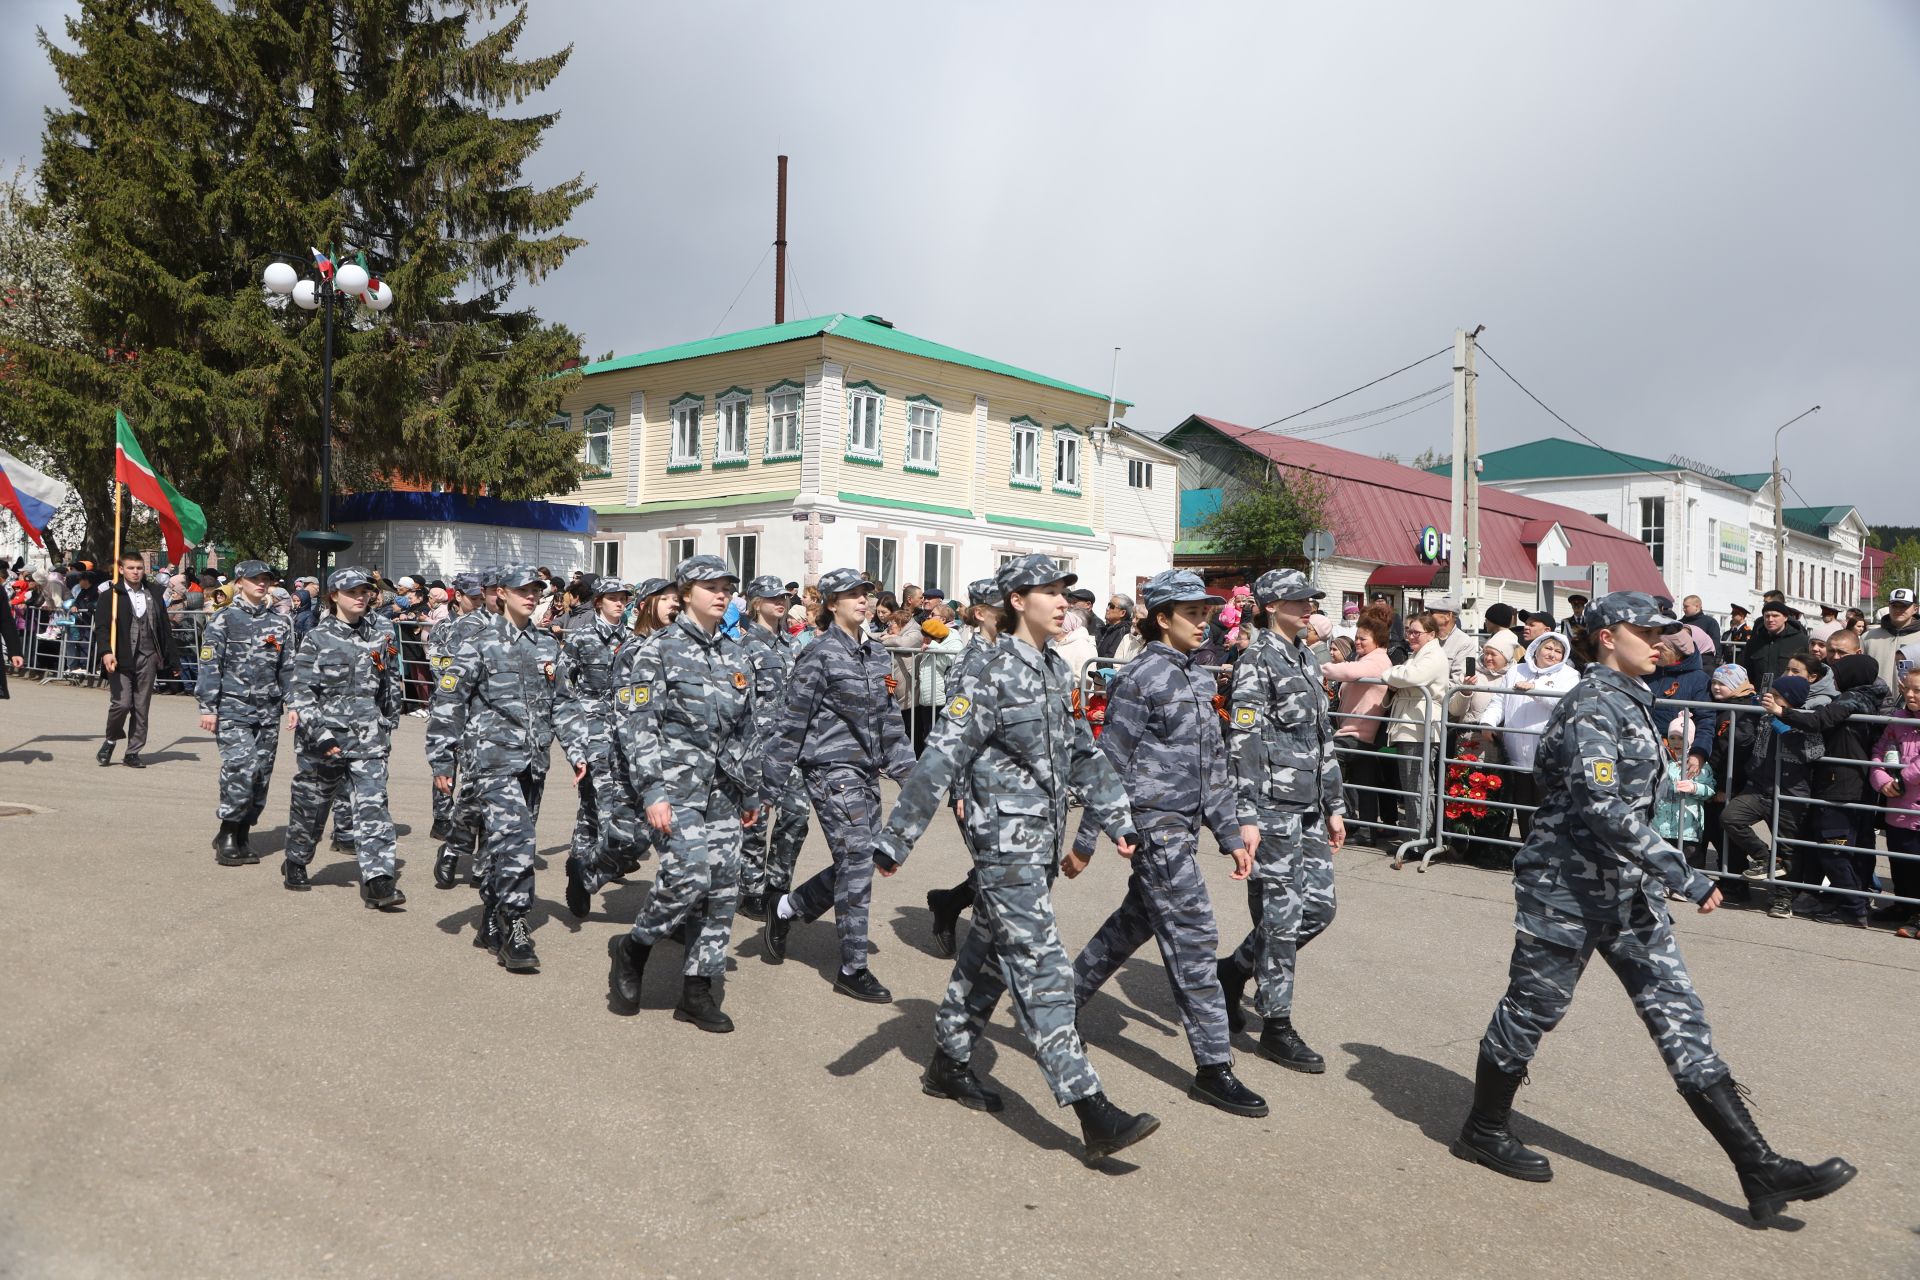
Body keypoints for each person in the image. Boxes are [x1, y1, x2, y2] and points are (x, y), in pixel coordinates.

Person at [1453, 592, 1856, 1220]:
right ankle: (1483, 1127)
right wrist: (1684, 875)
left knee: (1678, 1015)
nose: (1661, 641)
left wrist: (1658, 875)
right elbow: (1601, 806)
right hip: (1566, 889)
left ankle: (1759, 1167)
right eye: (1648, 631)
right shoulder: (1593, 703)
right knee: (1535, 1008)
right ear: (1610, 636)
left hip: (1628, 892)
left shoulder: (1634, 699)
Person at [870, 554, 1161, 1166]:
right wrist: (896, 839)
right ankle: (1091, 1108)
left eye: (1065, 592)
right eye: (1049, 592)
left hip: (1038, 847)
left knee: (990, 955)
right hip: (1002, 845)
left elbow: (1084, 755)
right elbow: (940, 759)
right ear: (1015, 600)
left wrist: (1119, 819)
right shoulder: (990, 673)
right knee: (1041, 962)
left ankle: (948, 1061)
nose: (1063, 602)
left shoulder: (1055, 670)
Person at [1069, 569, 1267, 1119]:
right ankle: (1213, 1067)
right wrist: (1090, 838)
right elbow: (1110, 759)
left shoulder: (1198, 678)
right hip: (1154, 827)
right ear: (1162, 618)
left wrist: (1230, 835)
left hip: (1183, 825)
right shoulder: (1141, 678)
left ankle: (1060, 1002)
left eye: (1207, 614)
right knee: (1195, 936)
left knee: (1135, 921)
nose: (1204, 624)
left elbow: (1212, 768)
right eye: (1193, 614)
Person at [606, 556, 762, 1031]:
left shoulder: (736, 653)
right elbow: (637, 728)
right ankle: (634, 947)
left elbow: (747, 728)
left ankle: (697, 989)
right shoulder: (656, 651)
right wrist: (652, 792)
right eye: (711, 586)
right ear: (686, 591)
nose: (722, 594)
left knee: (722, 891)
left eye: (728, 587)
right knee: (689, 875)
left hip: (725, 790)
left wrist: (751, 791)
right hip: (676, 788)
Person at [760, 567, 917, 1001]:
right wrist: (769, 789)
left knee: (860, 860)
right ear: (832, 604)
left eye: (866, 594)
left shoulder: (877, 653)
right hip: (830, 770)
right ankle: (852, 967)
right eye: (852, 595)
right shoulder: (820, 653)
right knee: (858, 857)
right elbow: (791, 723)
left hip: (866, 772)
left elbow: (889, 722)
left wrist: (912, 777)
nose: (863, 601)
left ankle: (785, 907)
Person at [1216, 568, 1347, 1074]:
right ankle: (1276, 1025)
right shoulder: (1256, 660)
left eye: (1310, 600)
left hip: (1309, 807)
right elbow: (1243, 741)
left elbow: (1322, 739)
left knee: (1319, 909)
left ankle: (1234, 971)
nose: (1308, 607)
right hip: (1271, 809)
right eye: (1298, 601)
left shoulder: (1305, 658)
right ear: (1271, 605)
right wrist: (1244, 814)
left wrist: (1335, 806)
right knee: (1281, 916)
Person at [427, 565, 565, 969]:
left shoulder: (548, 646)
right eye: (523, 589)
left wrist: (582, 753)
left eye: (536, 589)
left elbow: (566, 704)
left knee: (501, 846)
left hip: (534, 761)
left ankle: (490, 914)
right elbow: (448, 702)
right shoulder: (478, 643)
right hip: (492, 761)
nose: (532, 595)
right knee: (519, 841)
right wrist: (441, 758)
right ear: (501, 593)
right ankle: (515, 926)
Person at [282, 567, 405, 907]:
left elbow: (389, 683)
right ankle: (296, 858)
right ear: (334, 595)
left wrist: (387, 721)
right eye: (352, 591)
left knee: (373, 807)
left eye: (365, 591)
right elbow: (301, 692)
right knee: (312, 805)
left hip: (368, 740)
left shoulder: (380, 635)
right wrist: (320, 735)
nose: (361, 597)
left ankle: (379, 879)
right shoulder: (316, 638)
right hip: (323, 740)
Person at [1766, 651, 1888, 926]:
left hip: (1840, 782)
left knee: (1833, 847)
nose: (1835, 677)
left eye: (1839, 672)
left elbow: (1819, 720)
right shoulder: (1870, 697)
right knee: (1854, 848)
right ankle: (1852, 902)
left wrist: (1781, 712)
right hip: (1853, 780)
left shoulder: (1850, 700)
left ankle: (1853, 908)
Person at [922, 578, 1007, 957]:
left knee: (1006, 867)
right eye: (1001, 606)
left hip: (1012, 782)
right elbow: (955, 731)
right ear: (980, 613)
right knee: (999, 870)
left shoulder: (1017, 654)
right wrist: (959, 789)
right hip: (977, 785)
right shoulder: (971, 662)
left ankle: (951, 902)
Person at [196, 561, 293, 866]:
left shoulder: (280, 623)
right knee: (242, 768)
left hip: (268, 710)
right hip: (232, 709)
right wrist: (208, 707)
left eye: (266, 579)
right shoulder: (224, 619)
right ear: (239, 582)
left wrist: (295, 704)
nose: (261, 584)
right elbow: (210, 665)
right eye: (255, 579)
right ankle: (227, 830)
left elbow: (287, 668)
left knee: (261, 775)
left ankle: (242, 831)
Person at [556, 576, 640, 919]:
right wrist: (575, 726)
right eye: (614, 598)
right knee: (603, 796)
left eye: (624, 598)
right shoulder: (581, 638)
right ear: (599, 602)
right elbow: (564, 683)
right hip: (592, 725)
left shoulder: (632, 639)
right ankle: (599, 863)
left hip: (623, 728)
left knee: (592, 801)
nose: (620, 603)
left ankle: (580, 861)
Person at [736, 575, 811, 923]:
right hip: (756, 748)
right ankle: (750, 887)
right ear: (755, 602)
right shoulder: (742, 647)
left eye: (782, 597)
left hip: (789, 749)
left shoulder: (793, 646)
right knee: (755, 822)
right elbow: (741, 705)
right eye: (771, 598)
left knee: (797, 816)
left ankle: (777, 885)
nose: (779, 603)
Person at [92, 550, 176, 768]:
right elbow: (101, 628)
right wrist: (106, 651)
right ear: (121, 569)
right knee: (121, 703)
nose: (136, 572)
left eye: (139, 568)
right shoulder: (110, 596)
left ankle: (133, 751)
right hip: (120, 657)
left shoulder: (155, 593)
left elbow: (164, 628)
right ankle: (111, 740)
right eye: (130, 568)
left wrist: (173, 659)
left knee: (141, 706)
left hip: (148, 656)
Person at [1320, 609, 1393, 835]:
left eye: (1363, 639)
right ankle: (1367, 830)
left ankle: (1343, 820)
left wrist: (1314, 667)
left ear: (1377, 640)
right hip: (1355, 730)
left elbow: (1347, 671)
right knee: (1365, 781)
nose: (1358, 642)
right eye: (1357, 637)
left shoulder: (1378, 660)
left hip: (1359, 733)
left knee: (1328, 763)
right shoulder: (1367, 658)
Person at [1382, 611, 1449, 849]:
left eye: (1416, 632)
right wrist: (1397, 677)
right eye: (1409, 631)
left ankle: (1422, 840)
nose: (1411, 635)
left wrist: (1389, 674)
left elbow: (1412, 676)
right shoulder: (1420, 653)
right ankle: (1416, 837)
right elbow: (1406, 677)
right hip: (1411, 722)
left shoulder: (1433, 655)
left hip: (1420, 724)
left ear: (1431, 634)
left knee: (1418, 783)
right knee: (1412, 785)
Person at [1869, 670, 1920, 936]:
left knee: (1917, 863)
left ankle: (1918, 913)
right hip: (1896, 805)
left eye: (1917, 691)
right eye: (1907, 689)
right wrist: (1881, 779)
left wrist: (1902, 780)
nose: (1910, 695)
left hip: (1914, 803)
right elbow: (1879, 750)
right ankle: (1902, 905)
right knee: (1899, 860)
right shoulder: (1898, 719)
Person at [1864, 588, 1920, 705]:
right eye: (1895, 606)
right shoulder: (1868, 637)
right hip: (1875, 707)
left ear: (1915, 609)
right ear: (1889, 607)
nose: (1898, 610)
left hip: (1912, 709)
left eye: (1904, 606)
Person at [1742, 601, 1805, 686]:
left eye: (1775, 616)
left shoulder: (1800, 640)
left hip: (1787, 694)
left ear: (1785, 618)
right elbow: (1747, 670)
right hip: (1759, 694)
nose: (1770, 619)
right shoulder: (1754, 642)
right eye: (1767, 616)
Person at [1425, 597, 1475, 686]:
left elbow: (1459, 682)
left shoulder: (1465, 643)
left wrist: (1424, 684)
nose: (1427, 616)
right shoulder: (1426, 636)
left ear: (1448, 616)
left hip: (1444, 698)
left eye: (1431, 612)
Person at [1096, 594, 1135, 659]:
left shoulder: (1124, 631)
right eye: (1108, 605)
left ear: (1122, 613)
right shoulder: (1107, 628)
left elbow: (1110, 659)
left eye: (1111, 606)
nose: (1107, 608)